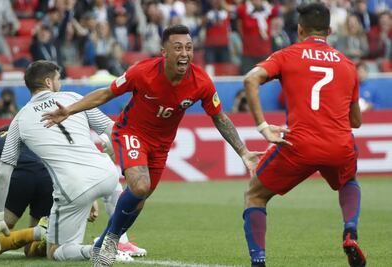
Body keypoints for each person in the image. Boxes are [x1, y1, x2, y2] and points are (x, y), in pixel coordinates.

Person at [41, 24, 264, 266]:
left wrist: (243, 151)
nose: (185, 53)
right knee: (139, 186)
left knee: (140, 198)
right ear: (164, 52)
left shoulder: (201, 81)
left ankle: (102, 245)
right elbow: (107, 93)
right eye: (177, 47)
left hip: (161, 146)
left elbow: (219, 116)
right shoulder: (142, 72)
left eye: (189, 48)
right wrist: (70, 111)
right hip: (131, 132)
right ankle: (112, 240)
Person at [243, 3, 365, 267]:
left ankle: (258, 262)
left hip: (299, 144)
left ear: (300, 29)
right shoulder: (347, 65)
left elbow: (250, 79)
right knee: (349, 180)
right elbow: (356, 121)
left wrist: (263, 126)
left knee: (255, 195)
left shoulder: (288, 55)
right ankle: (350, 231)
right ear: (330, 30)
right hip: (339, 144)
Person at [0, 60, 133, 262]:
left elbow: (4, 173)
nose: (60, 83)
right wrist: (110, 146)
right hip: (107, 173)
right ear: (49, 82)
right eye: (58, 79)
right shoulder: (74, 98)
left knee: (55, 251)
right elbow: (113, 129)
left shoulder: (19, 120)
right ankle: (121, 240)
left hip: (73, 187)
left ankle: (97, 250)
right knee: (111, 188)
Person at [0, 125, 52, 258]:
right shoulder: (32, 137)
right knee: (33, 252)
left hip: (18, 179)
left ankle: (37, 232)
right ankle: (43, 233)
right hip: (47, 178)